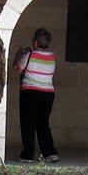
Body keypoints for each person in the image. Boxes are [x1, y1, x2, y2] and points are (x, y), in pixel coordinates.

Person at [14, 28, 59, 163]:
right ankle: (50, 153)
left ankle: (28, 154)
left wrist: (19, 54)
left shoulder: (30, 55)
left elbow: (18, 69)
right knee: (43, 123)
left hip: (30, 93)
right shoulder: (52, 57)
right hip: (48, 95)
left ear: (35, 42)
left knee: (28, 124)